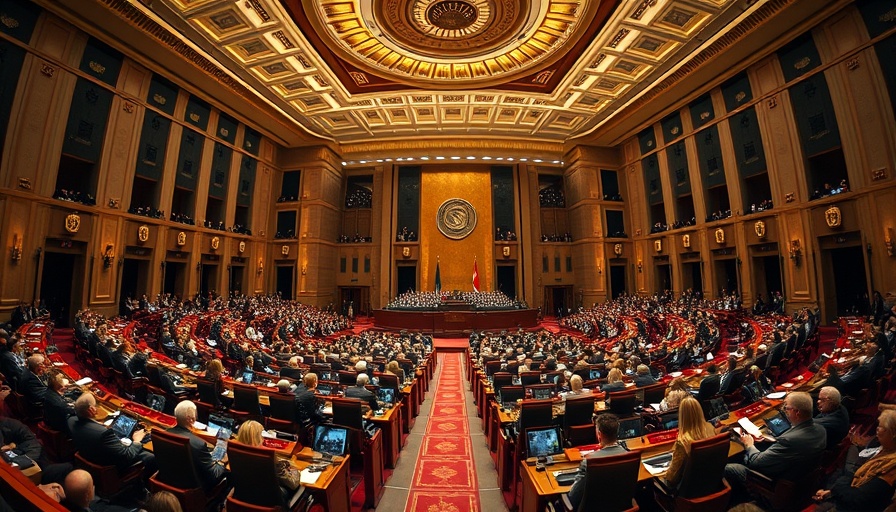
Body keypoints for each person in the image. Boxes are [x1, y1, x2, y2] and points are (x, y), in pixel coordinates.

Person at [724, 392, 826, 499]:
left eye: (786, 408)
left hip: (777, 484)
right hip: (800, 478)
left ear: (797, 412)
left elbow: (756, 463)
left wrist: (749, 444)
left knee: (729, 467)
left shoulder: (789, 440)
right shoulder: (821, 430)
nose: (785, 411)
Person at [813, 410, 896, 512]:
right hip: (845, 497)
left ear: (893, 434)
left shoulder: (892, 468)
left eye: (881, 427)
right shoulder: (883, 449)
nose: (877, 429)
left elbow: (858, 500)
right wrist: (831, 492)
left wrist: (839, 487)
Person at [68, 392, 156, 478]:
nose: (97, 408)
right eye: (96, 405)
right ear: (91, 409)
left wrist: (100, 426)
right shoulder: (103, 433)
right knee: (151, 457)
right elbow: (127, 455)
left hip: (91, 455)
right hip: (111, 468)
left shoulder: (71, 421)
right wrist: (137, 441)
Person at [566, 414, 628, 509]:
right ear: (617, 432)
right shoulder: (628, 456)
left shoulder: (589, 461)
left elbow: (573, 497)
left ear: (599, 434)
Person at [167, 401, 227, 490]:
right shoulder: (198, 444)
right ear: (189, 419)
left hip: (170, 480)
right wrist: (222, 461)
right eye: (195, 414)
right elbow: (214, 475)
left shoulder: (165, 434)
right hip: (194, 490)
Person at [662, 397, 715, 489]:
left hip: (688, 492)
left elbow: (672, 478)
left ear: (682, 416)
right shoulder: (711, 429)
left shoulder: (683, 442)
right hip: (711, 484)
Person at [43, 369, 76, 434]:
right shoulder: (60, 404)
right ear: (61, 386)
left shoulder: (48, 391)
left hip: (51, 419)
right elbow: (74, 412)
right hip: (61, 426)